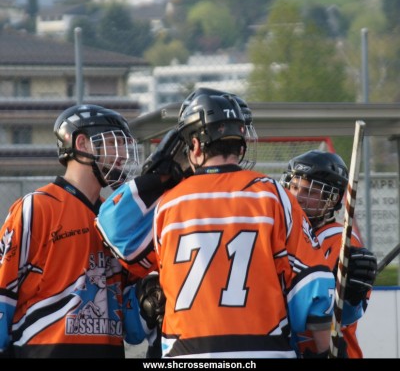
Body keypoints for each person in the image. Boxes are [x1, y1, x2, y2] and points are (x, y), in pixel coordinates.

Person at [96, 91, 336, 358]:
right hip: (263, 349)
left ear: (194, 146)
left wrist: (156, 178)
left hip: (186, 353)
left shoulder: (169, 203)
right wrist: (323, 352)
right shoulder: (273, 196)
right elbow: (313, 285)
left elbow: (112, 229)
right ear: (241, 145)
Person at [0, 104, 149, 358]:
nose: (123, 154)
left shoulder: (117, 217)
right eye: (113, 143)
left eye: (124, 145)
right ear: (82, 144)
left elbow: (134, 327)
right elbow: (4, 288)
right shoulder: (37, 208)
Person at [279, 150, 377, 358]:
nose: (297, 197)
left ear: (332, 199)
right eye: (294, 187)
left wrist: (351, 295)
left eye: (310, 192)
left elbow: (347, 316)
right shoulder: (282, 233)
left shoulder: (342, 241)